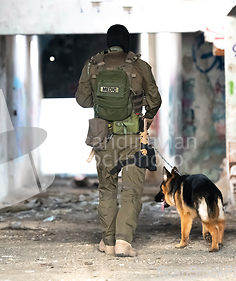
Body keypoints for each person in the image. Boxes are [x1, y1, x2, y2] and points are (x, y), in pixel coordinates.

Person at [75, 24, 162, 257]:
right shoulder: (140, 66)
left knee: (107, 189)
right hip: (133, 138)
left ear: (108, 42)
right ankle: (124, 241)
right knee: (132, 190)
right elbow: (154, 101)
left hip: (103, 137)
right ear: (127, 43)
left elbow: (82, 101)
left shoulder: (92, 66)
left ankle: (108, 242)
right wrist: (147, 119)